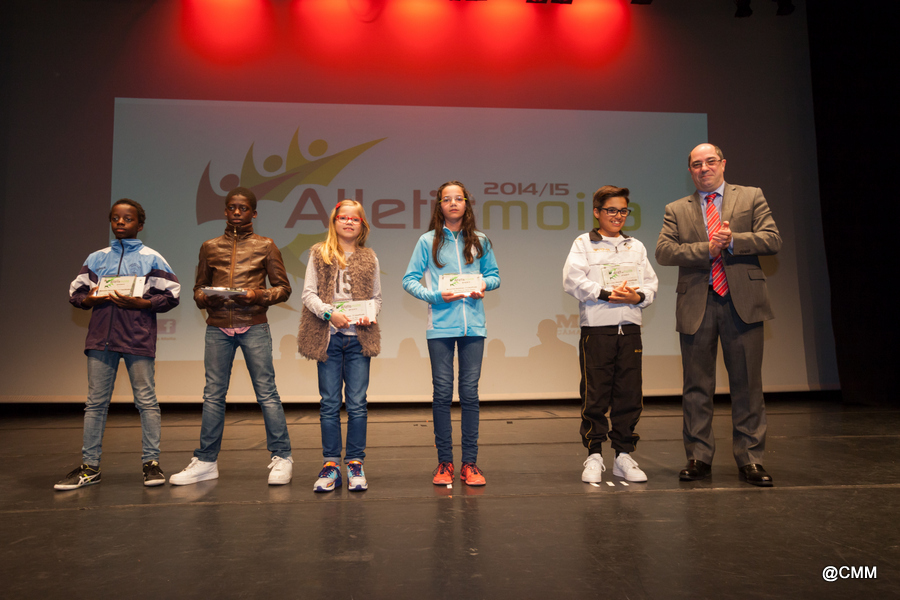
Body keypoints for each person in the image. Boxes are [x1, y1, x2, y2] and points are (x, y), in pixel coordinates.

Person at [656, 144, 782, 487]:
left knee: (748, 385)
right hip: (697, 303)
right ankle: (698, 457)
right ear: (690, 171)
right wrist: (707, 248)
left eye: (710, 161)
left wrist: (733, 241)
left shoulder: (751, 196)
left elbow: (772, 239)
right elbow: (664, 251)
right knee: (696, 386)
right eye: (697, 164)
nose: (704, 168)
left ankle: (751, 458)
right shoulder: (676, 209)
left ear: (723, 164)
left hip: (743, 302)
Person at [169, 187, 293, 486]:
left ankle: (282, 457)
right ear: (225, 211)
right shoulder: (209, 246)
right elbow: (198, 289)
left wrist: (256, 295)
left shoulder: (266, 246)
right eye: (232, 207)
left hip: (254, 325)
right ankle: (206, 461)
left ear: (254, 213)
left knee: (267, 393)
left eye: (243, 208)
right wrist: (205, 297)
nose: (237, 212)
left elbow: (283, 288)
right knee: (213, 395)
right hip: (218, 327)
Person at [56, 199, 181, 490]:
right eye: (115, 218)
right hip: (101, 338)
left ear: (140, 225)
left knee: (146, 401)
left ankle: (151, 464)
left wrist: (143, 303)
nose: (121, 222)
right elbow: (77, 293)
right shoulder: (96, 258)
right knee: (95, 404)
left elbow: (172, 295)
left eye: (127, 218)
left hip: (137, 337)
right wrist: (89, 300)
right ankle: (90, 467)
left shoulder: (152, 258)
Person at [402, 180, 500, 487]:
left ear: (466, 204)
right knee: (442, 394)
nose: (453, 203)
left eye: (459, 198)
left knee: (469, 394)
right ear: (440, 206)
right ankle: (444, 462)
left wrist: (483, 284)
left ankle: (470, 463)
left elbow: (494, 276)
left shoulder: (480, 240)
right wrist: (435, 296)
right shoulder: (427, 241)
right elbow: (409, 280)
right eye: (447, 199)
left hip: (474, 328)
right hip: (440, 328)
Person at [563, 186, 658, 484]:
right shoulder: (583, 243)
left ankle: (623, 455)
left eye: (623, 211)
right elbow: (572, 280)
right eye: (611, 210)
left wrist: (637, 296)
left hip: (630, 329)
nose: (618, 216)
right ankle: (594, 454)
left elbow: (651, 285)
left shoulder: (636, 246)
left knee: (629, 394)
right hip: (597, 330)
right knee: (595, 395)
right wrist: (605, 293)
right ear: (597, 212)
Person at [297, 200, 382, 493]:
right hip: (329, 337)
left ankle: (355, 463)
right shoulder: (319, 253)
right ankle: (331, 464)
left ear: (362, 225)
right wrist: (329, 314)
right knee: (330, 403)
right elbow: (308, 294)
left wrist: (370, 314)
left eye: (354, 219)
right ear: (334, 222)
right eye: (343, 217)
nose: (348, 222)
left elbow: (376, 298)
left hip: (359, 339)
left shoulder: (369, 257)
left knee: (357, 404)